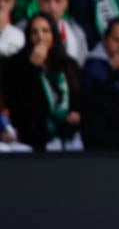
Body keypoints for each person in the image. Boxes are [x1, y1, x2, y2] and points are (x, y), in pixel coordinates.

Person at [2, 12, 82, 152]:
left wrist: (76, 113)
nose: (40, 36)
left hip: (68, 134)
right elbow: (19, 102)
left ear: (53, 34)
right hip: (31, 136)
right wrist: (31, 68)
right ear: (28, 37)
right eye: (34, 32)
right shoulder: (15, 65)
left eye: (45, 31)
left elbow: (79, 97)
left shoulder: (68, 65)